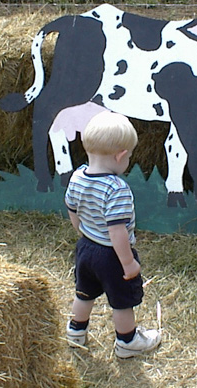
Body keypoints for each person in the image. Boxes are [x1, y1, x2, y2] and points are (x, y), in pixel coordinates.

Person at [64, 110, 161, 359]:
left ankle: (76, 331)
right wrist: (128, 263)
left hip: (86, 248)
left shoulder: (77, 176)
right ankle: (127, 341)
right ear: (120, 156)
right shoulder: (117, 188)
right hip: (111, 256)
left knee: (84, 292)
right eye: (128, 157)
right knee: (121, 300)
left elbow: (72, 208)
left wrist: (82, 231)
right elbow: (117, 231)